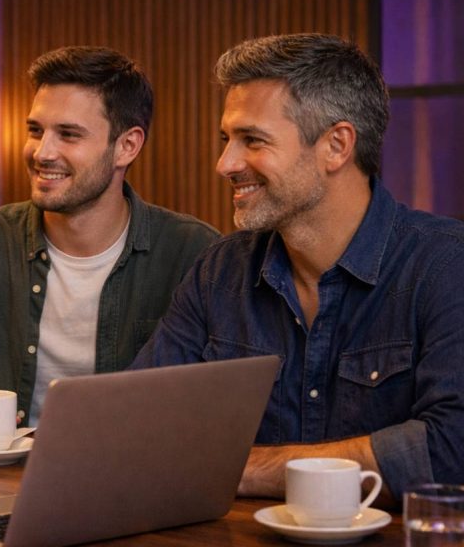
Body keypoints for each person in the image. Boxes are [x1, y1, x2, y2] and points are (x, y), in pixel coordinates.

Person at [131, 33, 464, 502]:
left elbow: (450, 451)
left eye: (252, 140)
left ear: (336, 146)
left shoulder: (445, 266)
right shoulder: (219, 271)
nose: (225, 163)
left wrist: (238, 469)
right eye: (227, 140)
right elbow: (138, 426)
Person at [0, 46, 219, 442]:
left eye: (69, 135)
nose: (42, 152)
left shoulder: (194, 251)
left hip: (136, 470)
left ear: (127, 146)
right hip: (5, 471)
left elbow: (218, 399)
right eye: (35, 131)